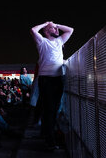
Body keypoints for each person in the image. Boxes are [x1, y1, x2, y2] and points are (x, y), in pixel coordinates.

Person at [30, 21, 74, 150]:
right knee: (49, 110)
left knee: (54, 109)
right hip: (46, 80)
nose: (56, 30)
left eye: (56, 28)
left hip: (57, 79)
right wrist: (46, 24)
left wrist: (56, 25)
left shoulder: (60, 41)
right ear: (46, 31)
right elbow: (33, 30)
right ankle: (50, 140)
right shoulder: (42, 41)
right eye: (53, 29)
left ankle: (48, 135)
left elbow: (70, 29)